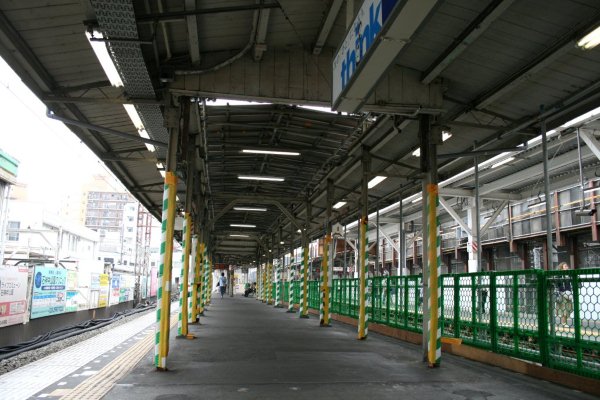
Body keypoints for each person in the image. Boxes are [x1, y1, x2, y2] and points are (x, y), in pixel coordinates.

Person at [555, 262, 573, 328]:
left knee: (569, 308)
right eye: (565, 266)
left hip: (568, 293)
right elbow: (558, 284)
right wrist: (562, 291)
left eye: (567, 266)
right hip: (562, 294)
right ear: (561, 268)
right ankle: (563, 322)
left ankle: (564, 321)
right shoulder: (559, 275)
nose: (567, 267)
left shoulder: (569, 275)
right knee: (564, 308)